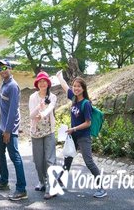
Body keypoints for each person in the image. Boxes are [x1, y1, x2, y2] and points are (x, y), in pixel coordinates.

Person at [56, 70, 107, 198]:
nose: (76, 88)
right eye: (75, 86)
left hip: (83, 136)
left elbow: (88, 123)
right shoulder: (73, 98)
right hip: (73, 135)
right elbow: (65, 87)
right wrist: (59, 77)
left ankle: (101, 188)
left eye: (79, 86)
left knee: (89, 162)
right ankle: (59, 183)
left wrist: (74, 129)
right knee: (67, 159)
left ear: (83, 88)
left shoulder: (86, 104)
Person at [0, 59, 27, 201]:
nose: (2, 70)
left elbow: (13, 110)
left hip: (9, 128)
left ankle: (21, 189)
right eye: (0, 69)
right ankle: (4, 181)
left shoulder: (13, 86)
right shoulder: (4, 84)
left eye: (5, 68)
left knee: (15, 157)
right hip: (2, 126)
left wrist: (8, 130)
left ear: (10, 68)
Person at [29, 71, 57, 199]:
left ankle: (52, 187)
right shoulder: (32, 97)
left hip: (49, 131)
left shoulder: (53, 96)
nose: (42, 83)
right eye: (40, 81)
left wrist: (43, 113)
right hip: (36, 132)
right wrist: (38, 108)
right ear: (37, 84)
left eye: (44, 81)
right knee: (38, 161)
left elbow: (50, 107)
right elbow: (31, 115)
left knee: (50, 160)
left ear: (48, 83)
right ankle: (42, 181)